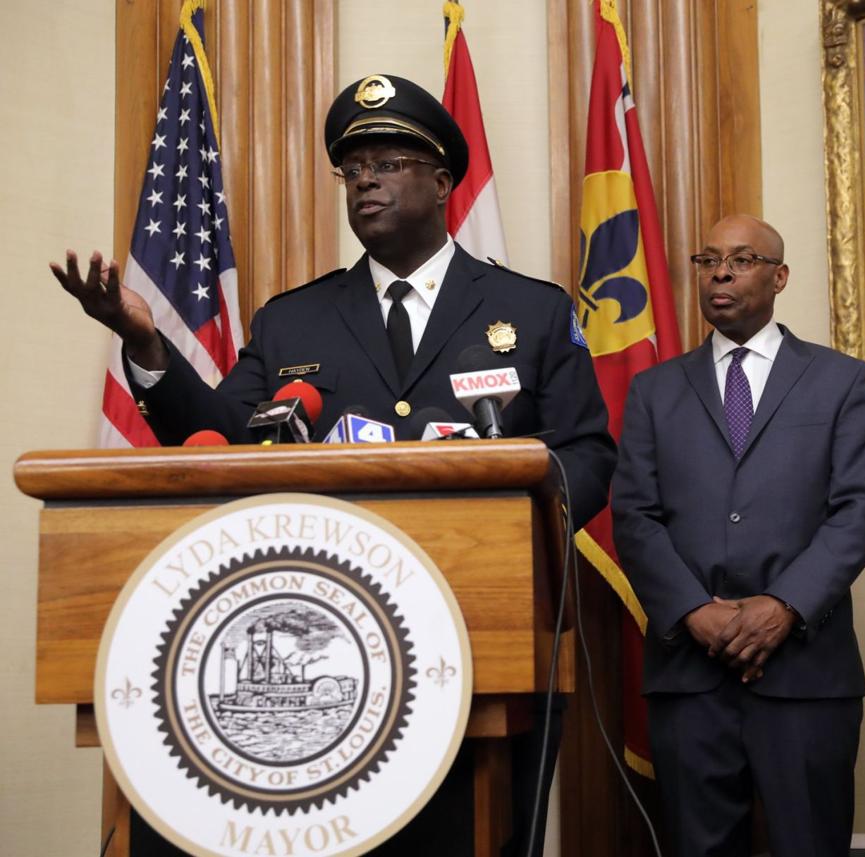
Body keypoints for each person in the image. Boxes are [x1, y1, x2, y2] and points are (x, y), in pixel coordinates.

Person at [50, 73, 615, 857]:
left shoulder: (531, 310)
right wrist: (145, 344)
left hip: (483, 626)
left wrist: (521, 518)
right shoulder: (295, 319)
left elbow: (587, 451)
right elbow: (216, 437)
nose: (366, 183)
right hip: (343, 637)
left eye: (387, 164)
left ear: (443, 180)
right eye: (354, 171)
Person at [611, 214, 865, 857]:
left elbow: (857, 509)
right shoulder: (654, 391)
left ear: (780, 276)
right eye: (708, 261)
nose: (721, 273)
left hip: (806, 673)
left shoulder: (842, 382)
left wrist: (782, 607)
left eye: (741, 259)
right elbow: (634, 516)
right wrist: (693, 611)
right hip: (690, 673)